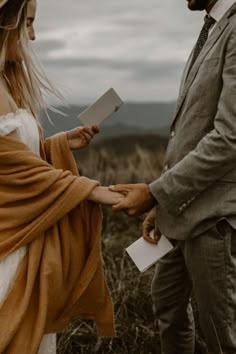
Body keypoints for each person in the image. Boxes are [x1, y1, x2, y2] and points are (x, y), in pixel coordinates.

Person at [109, 0, 236, 352]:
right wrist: (164, 203)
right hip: (177, 211)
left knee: (221, 335)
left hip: (214, 218)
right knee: (168, 310)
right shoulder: (210, 27)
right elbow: (188, 134)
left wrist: (153, 192)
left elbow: (229, 137)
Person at [0, 0, 124, 353]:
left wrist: (56, 144)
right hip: (9, 248)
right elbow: (11, 168)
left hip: (24, 244)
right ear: (5, 21)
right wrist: (94, 191)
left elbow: (15, 158)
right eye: (29, 24)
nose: (34, 36)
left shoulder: (5, 83)